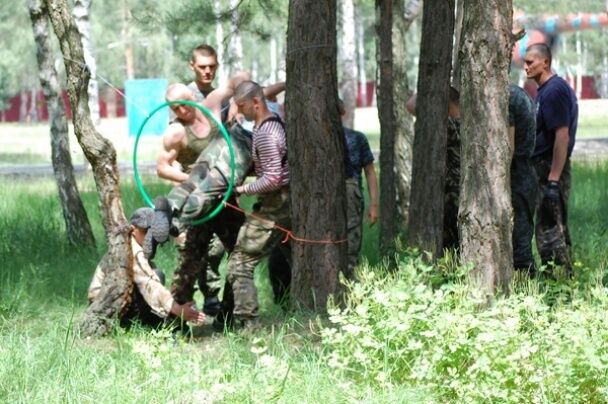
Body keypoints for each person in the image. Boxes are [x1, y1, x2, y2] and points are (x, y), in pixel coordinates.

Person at [156, 72, 249, 316]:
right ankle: (177, 319)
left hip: (226, 202)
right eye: (175, 108)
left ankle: (228, 313)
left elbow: (239, 80)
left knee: (241, 253)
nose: (181, 111)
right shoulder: (176, 132)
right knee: (190, 260)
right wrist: (192, 180)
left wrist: (241, 101)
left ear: (193, 98)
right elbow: (162, 167)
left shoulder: (212, 109)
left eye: (184, 105)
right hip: (197, 202)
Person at [221, 80, 291, 330]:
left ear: (256, 102)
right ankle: (296, 311)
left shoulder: (267, 132)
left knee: (240, 263)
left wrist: (241, 189)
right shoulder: (266, 127)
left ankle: (248, 325)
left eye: (242, 106)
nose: (240, 112)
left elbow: (273, 178)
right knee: (291, 258)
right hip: (281, 203)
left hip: (276, 205)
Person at [88, 208, 205, 329]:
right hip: (105, 305)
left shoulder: (138, 244)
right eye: (145, 231)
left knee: (158, 277)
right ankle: (150, 323)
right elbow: (149, 283)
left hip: (112, 301)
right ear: (133, 230)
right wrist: (177, 309)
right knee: (157, 276)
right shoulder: (133, 249)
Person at [524, 43, 578, 274]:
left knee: (549, 233)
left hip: (550, 169)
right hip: (543, 168)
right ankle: (563, 281)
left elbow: (562, 137)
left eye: (530, 62)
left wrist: (554, 181)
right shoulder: (544, 91)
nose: (526, 66)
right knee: (554, 229)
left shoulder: (554, 91)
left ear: (545, 62)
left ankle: (559, 284)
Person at [406, 88, 461, 251]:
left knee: (449, 247)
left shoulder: (449, 125)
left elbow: (410, 105)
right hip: (459, 193)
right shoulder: (466, 124)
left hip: (451, 196)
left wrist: (423, 90)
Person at [508, 84, 538, 275]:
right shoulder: (517, 92)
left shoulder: (506, 97)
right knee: (521, 238)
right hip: (524, 174)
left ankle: (525, 294)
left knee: (520, 247)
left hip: (517, 178)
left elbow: (507, 148)